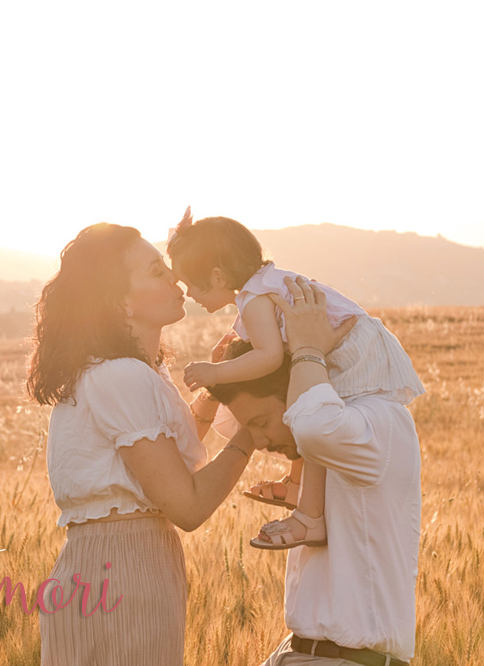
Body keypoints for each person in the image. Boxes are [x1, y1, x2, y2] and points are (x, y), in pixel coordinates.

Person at [19, 222, 256, 666]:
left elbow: (169, 457)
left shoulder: (112, 374)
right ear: (119, 301)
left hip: (99, 563)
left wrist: (224, 386)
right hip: (126, 569)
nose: (174, 277)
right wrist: (254, 433)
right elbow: (187, 503)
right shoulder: (122, 379)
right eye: (154, 270)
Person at [199, 274, 421, 666]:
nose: (263, 440)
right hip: (301, 658)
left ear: (299, 391)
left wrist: (302, 348)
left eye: (262, 423)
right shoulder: (331, 445)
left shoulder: (377, 422)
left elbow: (312, 420)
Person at [166, 208, 425, 551]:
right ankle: (298, 487)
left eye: (190, 284)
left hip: (350, 354)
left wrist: (216, 372)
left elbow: (269, 357)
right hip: (357, 346)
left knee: (312, 416)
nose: (189, 295)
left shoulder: (255, 299)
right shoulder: (263, 287)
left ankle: (309, 516)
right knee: (307, 411)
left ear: (216, 277)